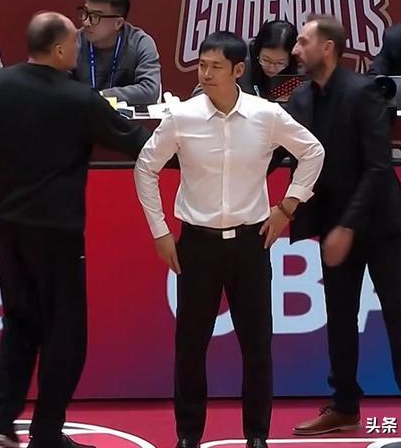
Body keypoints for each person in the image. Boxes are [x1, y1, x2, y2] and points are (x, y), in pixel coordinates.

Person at [0, 12, 149, 448]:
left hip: (8, 229)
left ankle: (1, 420)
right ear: (59, 50)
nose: (78, 48)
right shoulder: (78, 99)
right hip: (58, 235)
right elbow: (137, 142)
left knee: (20, 322)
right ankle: (45, 431)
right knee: (66, 336)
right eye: (74, 43)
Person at [134, 31, 324, 448]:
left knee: (257, 346)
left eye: (216, 67)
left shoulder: (266, 115)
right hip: (196, 244)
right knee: (190, 347)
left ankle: (257, 435)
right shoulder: (182, 117)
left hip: (250, 244)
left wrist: (287, 206)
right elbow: (145, 167)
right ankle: (188, 436)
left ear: (239, 70)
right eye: (202, 65)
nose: (205, 74)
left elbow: (313, 152)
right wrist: (160, 231)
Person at [272, 14, 401, 448]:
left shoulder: (363, 93)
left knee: (397, 313)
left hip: (377, 223)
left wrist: (348, 225)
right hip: (331, 223)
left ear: (328, 47)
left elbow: (379, 168)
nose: (295, 50)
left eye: (303, 41)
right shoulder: (300, 99)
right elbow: (285, 154)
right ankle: (344, 406)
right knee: (339, 315)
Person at [72, 0, 161, 106]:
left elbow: (149, 91)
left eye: (95, 16)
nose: (86, 22)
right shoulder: (73, 42)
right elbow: (58, 88)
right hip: (81, 115)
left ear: (118, 23)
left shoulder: (140, 43)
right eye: (85, 13)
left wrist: (100, 97)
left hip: (124, 117)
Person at [240, 20, 301, 100]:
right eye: (266, 60)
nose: (271, 69)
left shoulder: (301, 65)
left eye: (280, 63)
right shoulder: (242, 56)